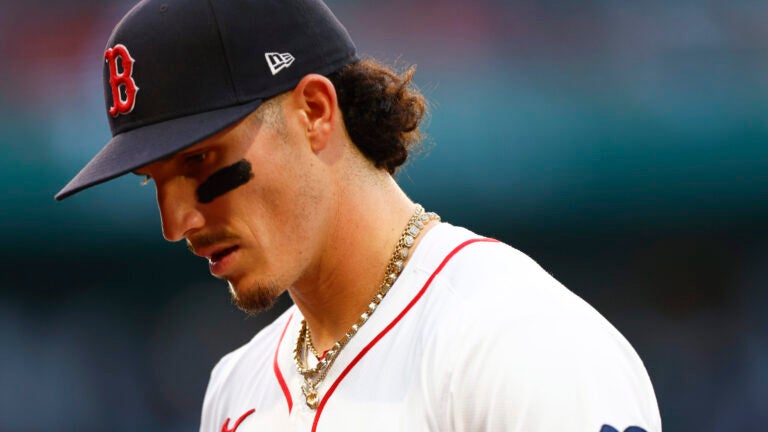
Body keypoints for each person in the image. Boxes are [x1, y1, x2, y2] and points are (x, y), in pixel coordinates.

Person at [56, 0, 662, 430]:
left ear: (315, 111)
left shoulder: (518, 343)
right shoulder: (234, 391)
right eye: (152, 183)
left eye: (198, 161)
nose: (176, 223)